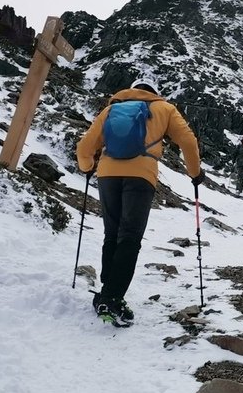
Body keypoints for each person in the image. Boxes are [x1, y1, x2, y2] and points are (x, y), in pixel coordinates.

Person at [77, 77, 204, 324]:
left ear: (131, 89)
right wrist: (195, 173)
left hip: (107, 174)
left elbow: (84, 146)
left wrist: (87, 167)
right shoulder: (164, 108)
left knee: (112, 234)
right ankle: (111, 298)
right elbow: (188, 141)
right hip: (141, 175)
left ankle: (107, 291)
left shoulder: (111, 109)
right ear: (153, 91)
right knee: (130, 237)